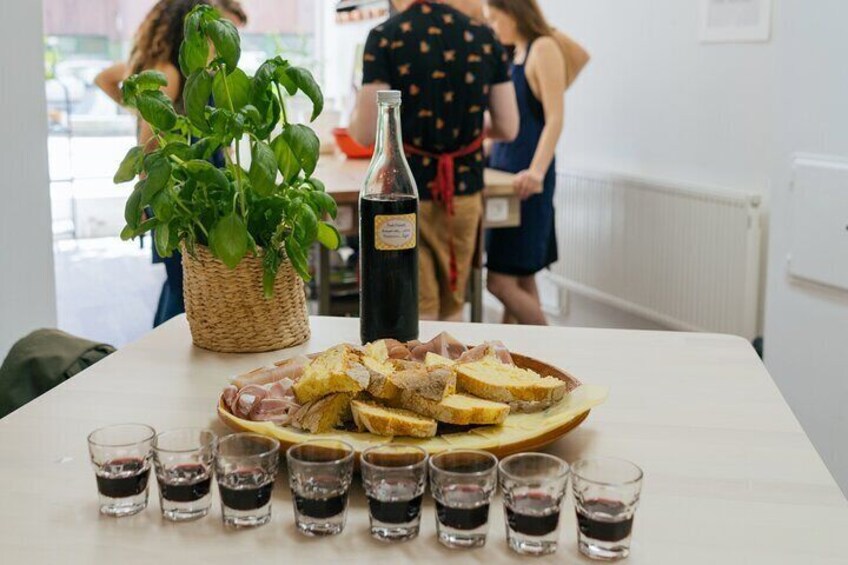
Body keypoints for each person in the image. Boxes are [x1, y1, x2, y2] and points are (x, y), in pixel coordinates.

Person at [349, 0, 519, 322]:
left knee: (415, 301)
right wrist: (463, 133)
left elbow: (365, 132)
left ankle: (418, 368)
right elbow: (508, 126)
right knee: (453, 302)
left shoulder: (385, 36)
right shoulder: (484, 37)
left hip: (405, 190)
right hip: (464, 188)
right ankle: (447, 367)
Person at [95, 0, 242, 327]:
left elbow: (105, 78)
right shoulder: (169, 71)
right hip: (176, 196)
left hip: (198, 187)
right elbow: (148, 145)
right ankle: (163, 357)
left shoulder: (196, 69)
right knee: (183, 286)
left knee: (186, 283)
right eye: (211, 28)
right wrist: (159, 203)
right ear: (188, 29)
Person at [484, 0, 566, 326]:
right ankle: (513, 368)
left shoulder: (543, 49)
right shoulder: (512, 54)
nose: (492, 27)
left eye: (494, 19)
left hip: (527, 182)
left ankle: (554, 349)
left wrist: (536, 172)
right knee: (520, 278)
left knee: (499, 282)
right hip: (505, 177)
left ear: (513, 11)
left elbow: (555, 118)